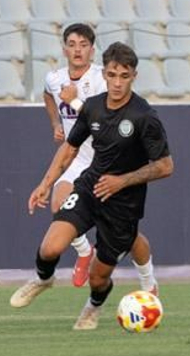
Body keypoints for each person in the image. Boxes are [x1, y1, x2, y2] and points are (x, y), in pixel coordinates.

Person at [12, 42, 173, 330]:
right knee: (50, 248)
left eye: (124, 76)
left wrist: (122, 180)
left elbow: (165, 166)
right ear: (105, 73)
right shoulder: (94, 107)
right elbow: (70, 148)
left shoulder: (144, 116)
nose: (117, 82)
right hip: (90, 188)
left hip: (124, 205)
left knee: (98, 278)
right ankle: (43, 278)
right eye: (112, 74)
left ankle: (92, 307)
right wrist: (45, 184)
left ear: (133, 76)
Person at [41, 22, 159, 292]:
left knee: (127, 237)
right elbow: (48, 94)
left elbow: (104, 117)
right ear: (64, 49)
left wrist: (72, 101)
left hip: (108, 160)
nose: (77, 51)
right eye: (72, 45)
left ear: (92, 51)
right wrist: (55, 123)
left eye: (83, 45)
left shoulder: (100, 78)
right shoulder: (55, 78)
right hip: (77, 157)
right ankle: (84, 252)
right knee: (59, 204)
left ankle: (148, 279)